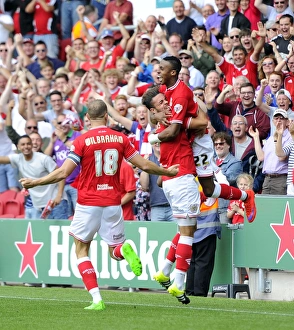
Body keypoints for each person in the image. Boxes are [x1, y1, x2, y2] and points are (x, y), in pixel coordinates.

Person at [20, 99, 179, 311]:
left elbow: (63, 172)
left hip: (88, 202)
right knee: (114, 251)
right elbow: (144, 164)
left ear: (87, 118)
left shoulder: (82, 141)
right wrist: (167, 172)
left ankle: (96, 299)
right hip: (113, 202)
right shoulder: (120, 138)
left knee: (81, 249)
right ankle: (124, 248)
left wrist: (35, 182)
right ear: (107, 116)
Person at [0, 135, 68, 219]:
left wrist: (59, 196)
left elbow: (60, 175)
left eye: (28, 144)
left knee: (59, 231)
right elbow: (2, 159)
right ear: (18, 147)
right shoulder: (18, 158)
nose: (26, 146)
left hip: (56, 203)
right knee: (43, 232)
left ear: (32, 145)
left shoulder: (43, 159)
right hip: (40, 206)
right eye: (23, 144)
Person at [185, 181, 221, 297]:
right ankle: (199, 294)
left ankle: (190, 292)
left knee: (192, 263)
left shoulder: (189, 181)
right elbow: (223, 185)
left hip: (189, 229)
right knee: (203, 263)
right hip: (206, 229)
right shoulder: (208, 183)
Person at [249, 109, 291, 195]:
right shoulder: (271, 138)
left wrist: (279, 136)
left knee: (279, 207)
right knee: (265, 207)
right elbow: (261, 157)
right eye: (276, 118)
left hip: (281, 179)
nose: (278, 120)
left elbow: (281, 157)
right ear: (273, 121)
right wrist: (256, 137)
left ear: (287, 122)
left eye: (281, 118)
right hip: (267, 178)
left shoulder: (290, 137)